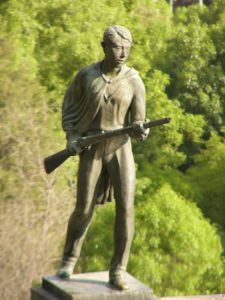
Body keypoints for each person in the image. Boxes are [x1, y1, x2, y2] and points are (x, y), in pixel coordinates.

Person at [57, 25, 149, 290]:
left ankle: (118, 269)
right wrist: (72, 137)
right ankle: (69, 259)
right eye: (117, 47)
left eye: (127, 48)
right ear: (104, 47)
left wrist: (140, 129)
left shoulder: (134, 80)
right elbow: (70, 111)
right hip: (92, 148)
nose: (123, 53)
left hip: (120, 148)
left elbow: (138, 122)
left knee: (126, 207)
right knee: (84, 207)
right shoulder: (86, 77)